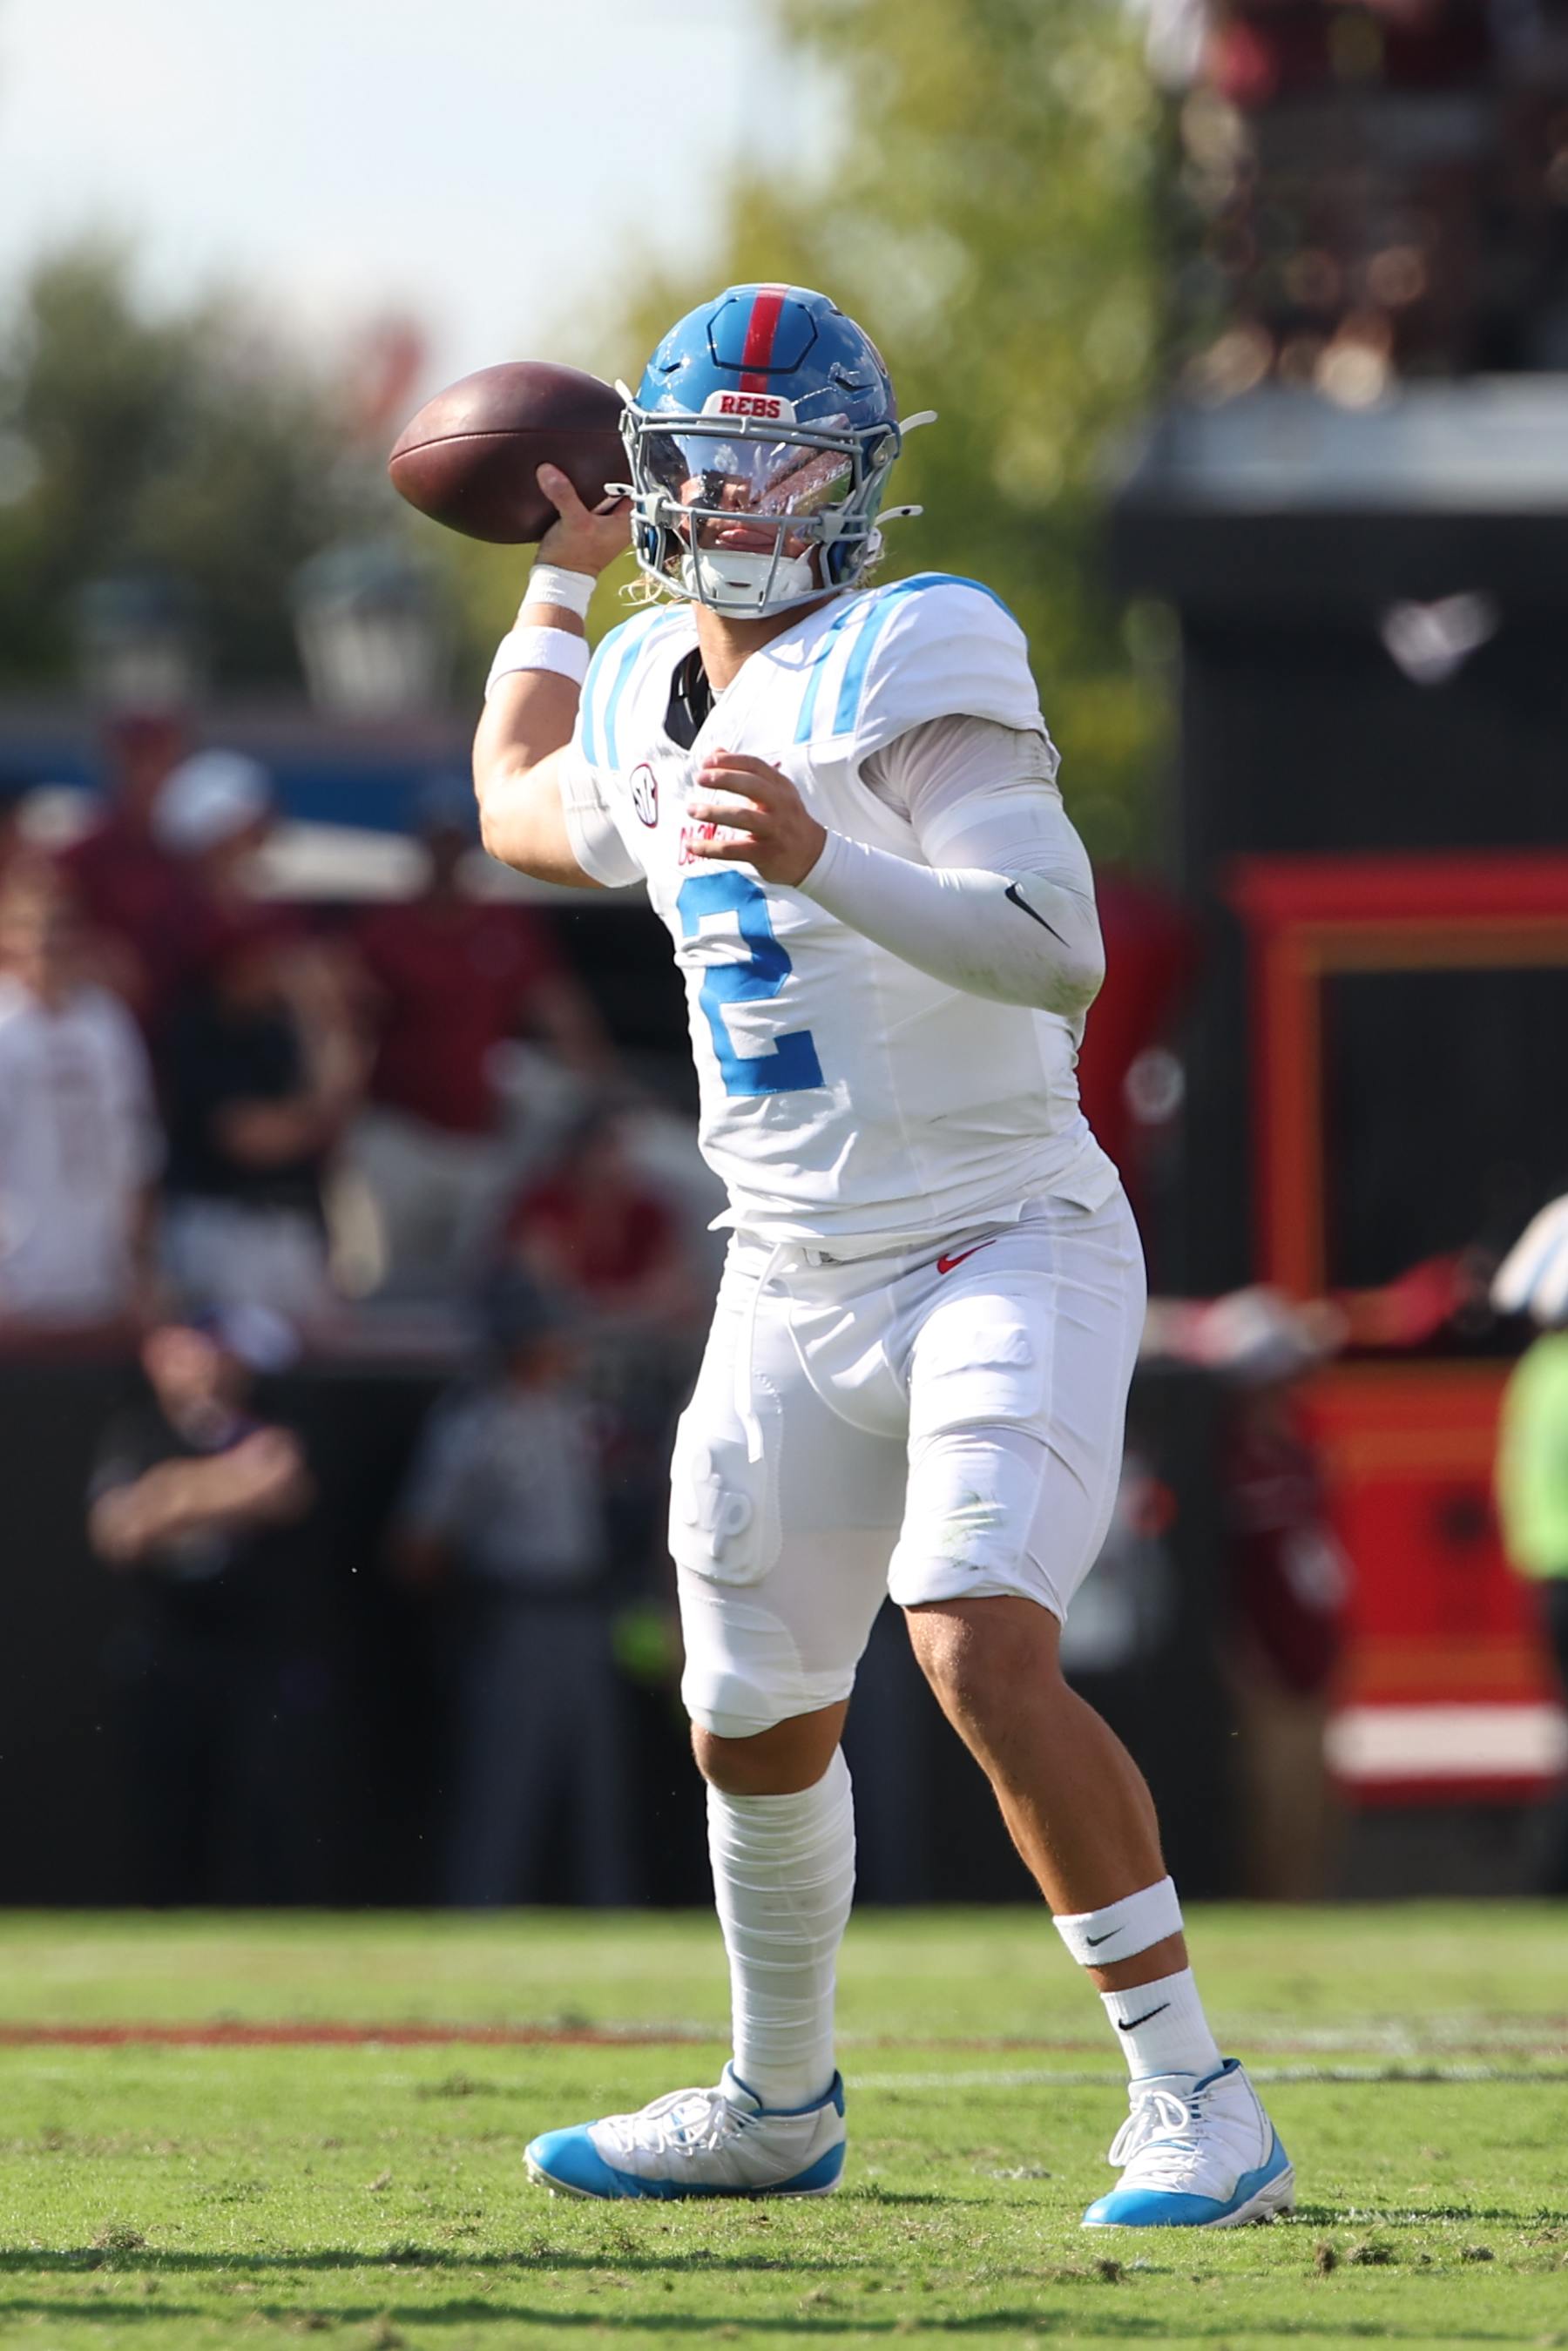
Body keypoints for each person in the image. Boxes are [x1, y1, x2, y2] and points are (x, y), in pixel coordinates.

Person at [471, 284, 1291, 2227]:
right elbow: (516, 808)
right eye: (712, 458)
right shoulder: (652, 670)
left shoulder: (914, 644)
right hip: (784, 1270)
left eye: (793, 454)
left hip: (1000, 1229)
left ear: (860, 482)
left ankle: (1200, 2099)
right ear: (651, 478)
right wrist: (557, 589)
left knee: (978, 1639)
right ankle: (778, 2096)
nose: (750, 494)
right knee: (748, 1711)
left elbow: (1055, 943)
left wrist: (826, 856)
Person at [385, 1272, 633, 1906]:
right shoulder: (474, 1423)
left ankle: (611, 1916)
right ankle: (478, 1913)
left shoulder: (583, 1413)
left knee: (597, 1782)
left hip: (586, 1611)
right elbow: (418, 1542)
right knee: (503, 1783)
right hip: (514, 1613)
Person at [86, 1307, 326, 1902]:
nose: (200, 1366)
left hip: (250, 1655)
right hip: (165, 1652)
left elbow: (282, 1486)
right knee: (166, 1810)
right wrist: (221, 1485)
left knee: (259, 1807)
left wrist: (168, 1494)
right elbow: (117, 1530)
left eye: (209, 1351)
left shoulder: (265, 1424)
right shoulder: (136, 1431)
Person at [352, 774, 609, 1294]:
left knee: (474, 1275)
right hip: (401, 1133)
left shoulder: (501, 926)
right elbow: (350, 1012)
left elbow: (555, 1007)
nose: (445, 856)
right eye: (436, 843)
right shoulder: (387, 928)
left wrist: (595, 1083)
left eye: (453, 843)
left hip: (481, 1141)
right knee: (387, 1275)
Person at [160, 916, 367, 1318]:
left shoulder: (279, 1028)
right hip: (224, 1227)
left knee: (312, 1366)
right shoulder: (198, 1030)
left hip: (291, 1224)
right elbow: (251, 1139)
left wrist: (323, 1012)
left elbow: (341, 1097)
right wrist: (314, 1118)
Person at [0, 869, 162, 1332]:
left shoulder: (106, 1022)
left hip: (98, 1278)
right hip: (16, 1285)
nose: (46, 940)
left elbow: (135, 1146)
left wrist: (139, 1264)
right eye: (30, 925)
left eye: (59, 925)